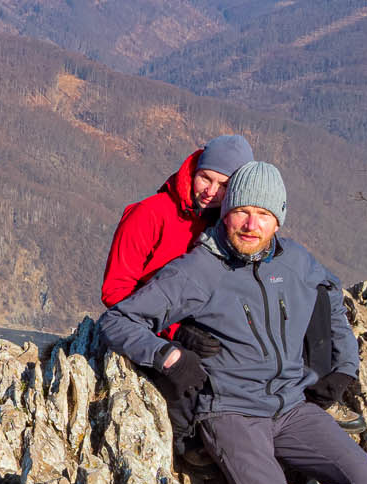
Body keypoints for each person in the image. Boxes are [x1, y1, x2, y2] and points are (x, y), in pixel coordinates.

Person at [97, 160, 367, 484]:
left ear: (279, 220)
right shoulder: (198, 270)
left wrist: (343, 366)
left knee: (366, 480)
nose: (252, 224)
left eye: (264, 215)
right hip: (230, 413)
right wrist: (168, 354)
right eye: (243, 212)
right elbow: (119, 319)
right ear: (226, 213)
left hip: (290, 407)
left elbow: (330, 296)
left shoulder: (294, 261)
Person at [101, 135, 253, 447]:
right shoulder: (148, 214)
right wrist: (175, 331)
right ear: (194, 169)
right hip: (150, 334)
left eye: (223, 185)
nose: (211, 192)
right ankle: (188, 449)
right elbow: (115, 291)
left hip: (207, 333)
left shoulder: (231, 228)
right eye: (205, 178)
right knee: (187, 381)